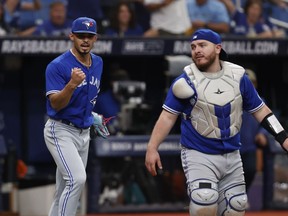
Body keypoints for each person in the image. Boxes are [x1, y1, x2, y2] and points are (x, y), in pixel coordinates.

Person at [145, 28, 288, 216]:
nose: (197, 50)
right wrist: (152, 148)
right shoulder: (185, 82)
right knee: (204, 202)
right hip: (198, 153)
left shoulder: (238, 78)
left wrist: (283, 138)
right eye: (193, 46)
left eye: (203, 45)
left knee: (236, 206)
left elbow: (262, 111)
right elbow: (167, 117)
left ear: (218, 48)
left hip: (232, 154)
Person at [43, 17, 109, 216]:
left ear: (96, 38)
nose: (85, 40)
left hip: (84, 132)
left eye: (90, 36)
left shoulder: (98, 62)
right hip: (60, 129)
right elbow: (55, 103)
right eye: (81, 36)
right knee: (77, 180)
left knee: (64, 189)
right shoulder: (57, 65)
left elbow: (89, 95)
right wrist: (71, 84)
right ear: (72, 36)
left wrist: (91, 115)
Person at [240, 69, 268, 193]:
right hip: (232, 146)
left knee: (251, 170)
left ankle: (242, 194)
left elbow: (267, 121)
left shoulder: (260, 101)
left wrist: (262, 133)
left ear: (255, 84)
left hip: (250, 145)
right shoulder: (232, 100)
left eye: (250, 82)